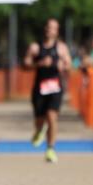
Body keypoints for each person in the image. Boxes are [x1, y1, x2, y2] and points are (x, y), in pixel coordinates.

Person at [23, 18, 72, 163]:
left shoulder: (61, 48)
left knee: (52, 116)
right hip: (39, 88)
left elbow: (69, 65)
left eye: (54, 28)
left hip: (55, 87)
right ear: (45, 29)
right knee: (39, 120)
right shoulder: (35, 47)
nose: (51, 30)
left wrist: (63, 66)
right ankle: (39, 130)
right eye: (49, 27)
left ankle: (50, 149)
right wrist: (39, 63)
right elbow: (25, 64)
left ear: (57, 31)